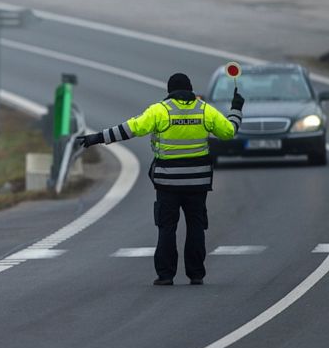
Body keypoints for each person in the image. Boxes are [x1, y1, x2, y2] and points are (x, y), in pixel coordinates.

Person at [78, 72, 244, 286]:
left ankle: (166, 275)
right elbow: (229, 131)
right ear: (190, 89)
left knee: (167, 228)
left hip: (167, 183)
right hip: (197, 183)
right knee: (196, 226)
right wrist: (236, 108)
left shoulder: (159, 111)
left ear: (169, 92)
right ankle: (196, 274)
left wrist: (97, 138)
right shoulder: (204, 110)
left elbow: (129, 129)